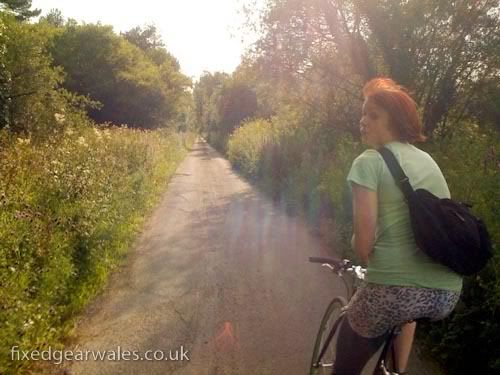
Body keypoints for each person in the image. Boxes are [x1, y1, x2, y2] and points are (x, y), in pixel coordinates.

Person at [332, 78, 463, 374]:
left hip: (394, 290)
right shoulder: (427, 160)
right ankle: (396, 371)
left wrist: (362, 248)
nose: (363, 121)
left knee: (345, 366)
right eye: (363, 113)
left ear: (395, 122)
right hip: (445, 293)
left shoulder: (368, 162)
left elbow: (363, 246)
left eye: (373, 115)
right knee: (406, 313)